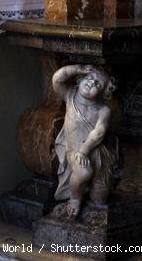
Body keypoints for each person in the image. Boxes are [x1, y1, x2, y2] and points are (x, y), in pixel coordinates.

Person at [51, 64, 118, 219]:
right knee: (83, 171)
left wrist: (85, 150)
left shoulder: (103, 111)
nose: (92, 83)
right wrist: (77, 68)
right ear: (80, 79)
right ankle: (75, 198)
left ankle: (92, 196)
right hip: (75, 150)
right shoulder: (70, 95)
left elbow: (99, 133)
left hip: (98, 155)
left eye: (98, 84)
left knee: (99, 198)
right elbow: (57, 79)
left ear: (103, 92)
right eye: (89, 77)